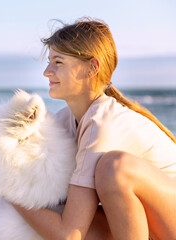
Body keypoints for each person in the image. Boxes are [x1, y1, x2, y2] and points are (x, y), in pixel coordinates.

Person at [11, 18, 176, 240]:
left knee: (114, 168)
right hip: (147, 225)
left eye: (58, 62)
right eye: (49, 62)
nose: (47, 72)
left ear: (91, 68)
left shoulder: (102, 122)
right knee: (53, 206)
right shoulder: (63, 121)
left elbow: (69, 234)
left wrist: (10, 192)